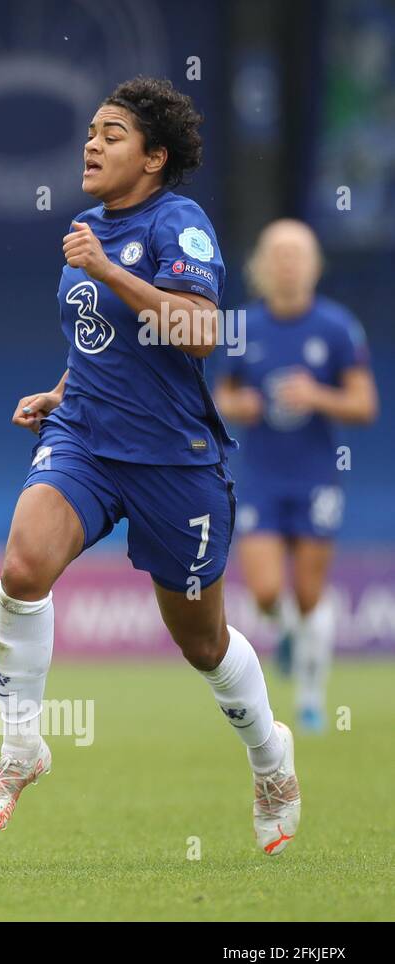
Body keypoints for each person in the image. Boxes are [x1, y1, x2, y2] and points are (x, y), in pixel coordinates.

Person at [0, 78, 301, 856]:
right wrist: (57, 391)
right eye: (90, 131)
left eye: (111, 134)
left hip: (171, 460)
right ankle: (20, 751)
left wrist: (111, 271)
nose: (91, 144)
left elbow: (201, 332)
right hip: (86, 438)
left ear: (153, 157)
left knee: (202, 641)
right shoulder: (86, 225)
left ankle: (270, 758)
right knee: (23, 566)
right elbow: (99, 339)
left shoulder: (178, 224)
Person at [215, 219, 378, 732]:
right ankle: (287, 634)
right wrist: (238, 404)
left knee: (310, 593)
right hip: (261, 476)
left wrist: (317, 396)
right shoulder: (243, 327)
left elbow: (364, 404)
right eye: (278, 254)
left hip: (316, 477)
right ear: (262, 264)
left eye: (298, 254)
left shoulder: (336, 327)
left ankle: (311, 696)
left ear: (313, 265)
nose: (288, 263)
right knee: (265, 591)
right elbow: (221, 396)